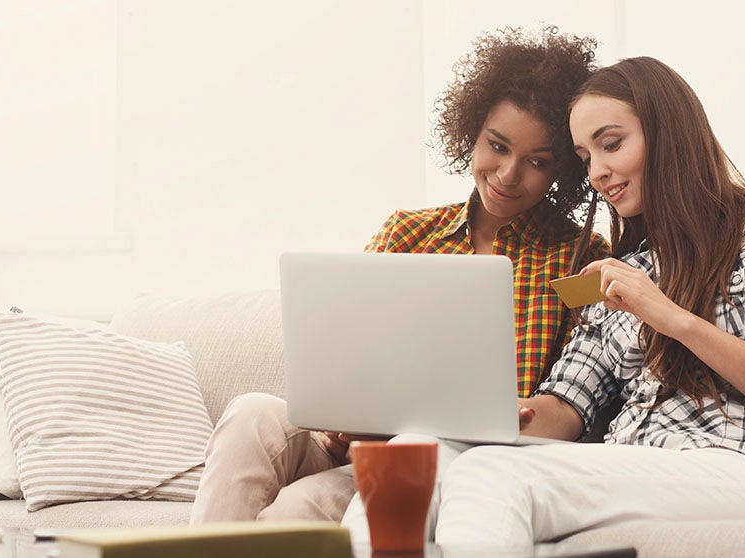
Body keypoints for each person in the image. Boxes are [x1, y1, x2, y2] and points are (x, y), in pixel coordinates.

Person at [341, 56, 745, 551]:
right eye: (586, 157)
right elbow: (565, 408)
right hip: (635, 466)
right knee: (411, 456)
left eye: (611, 144)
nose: (596, 172)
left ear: (668, 132)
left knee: (490, 475)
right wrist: (473, 413)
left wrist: (671, 317)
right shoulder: (622, 271)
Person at [189, 25, 609, 525]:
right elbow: (341, 354)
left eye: (536, 162)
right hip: (352, 442)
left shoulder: (581, 255)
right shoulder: (408, 231)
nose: (508, 174)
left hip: (452, 461)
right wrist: (339, 420)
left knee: (299, 506)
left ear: (563, 171)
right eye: (497, 146)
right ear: (471, 131)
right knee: (251, 414)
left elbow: (577, 392)